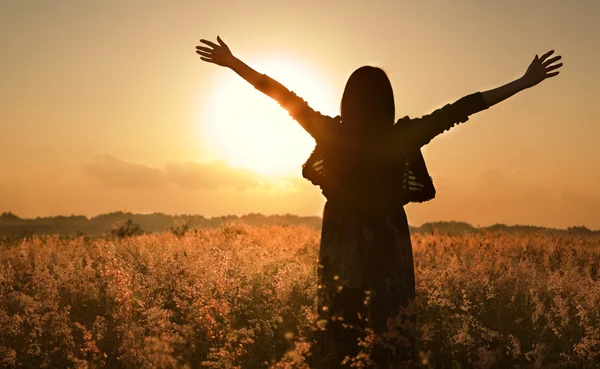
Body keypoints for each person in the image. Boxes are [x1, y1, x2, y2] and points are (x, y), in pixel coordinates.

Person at [195, 36, 562, 368]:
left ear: (347, 101)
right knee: (390, 330)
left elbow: (280, 95)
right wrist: (522, 82)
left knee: (342, 330)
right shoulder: (400, 137)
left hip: (341, 241)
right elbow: (462, 108)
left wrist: (233, 62)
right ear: (386, 102)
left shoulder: (332, 133)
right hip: (388, 239)